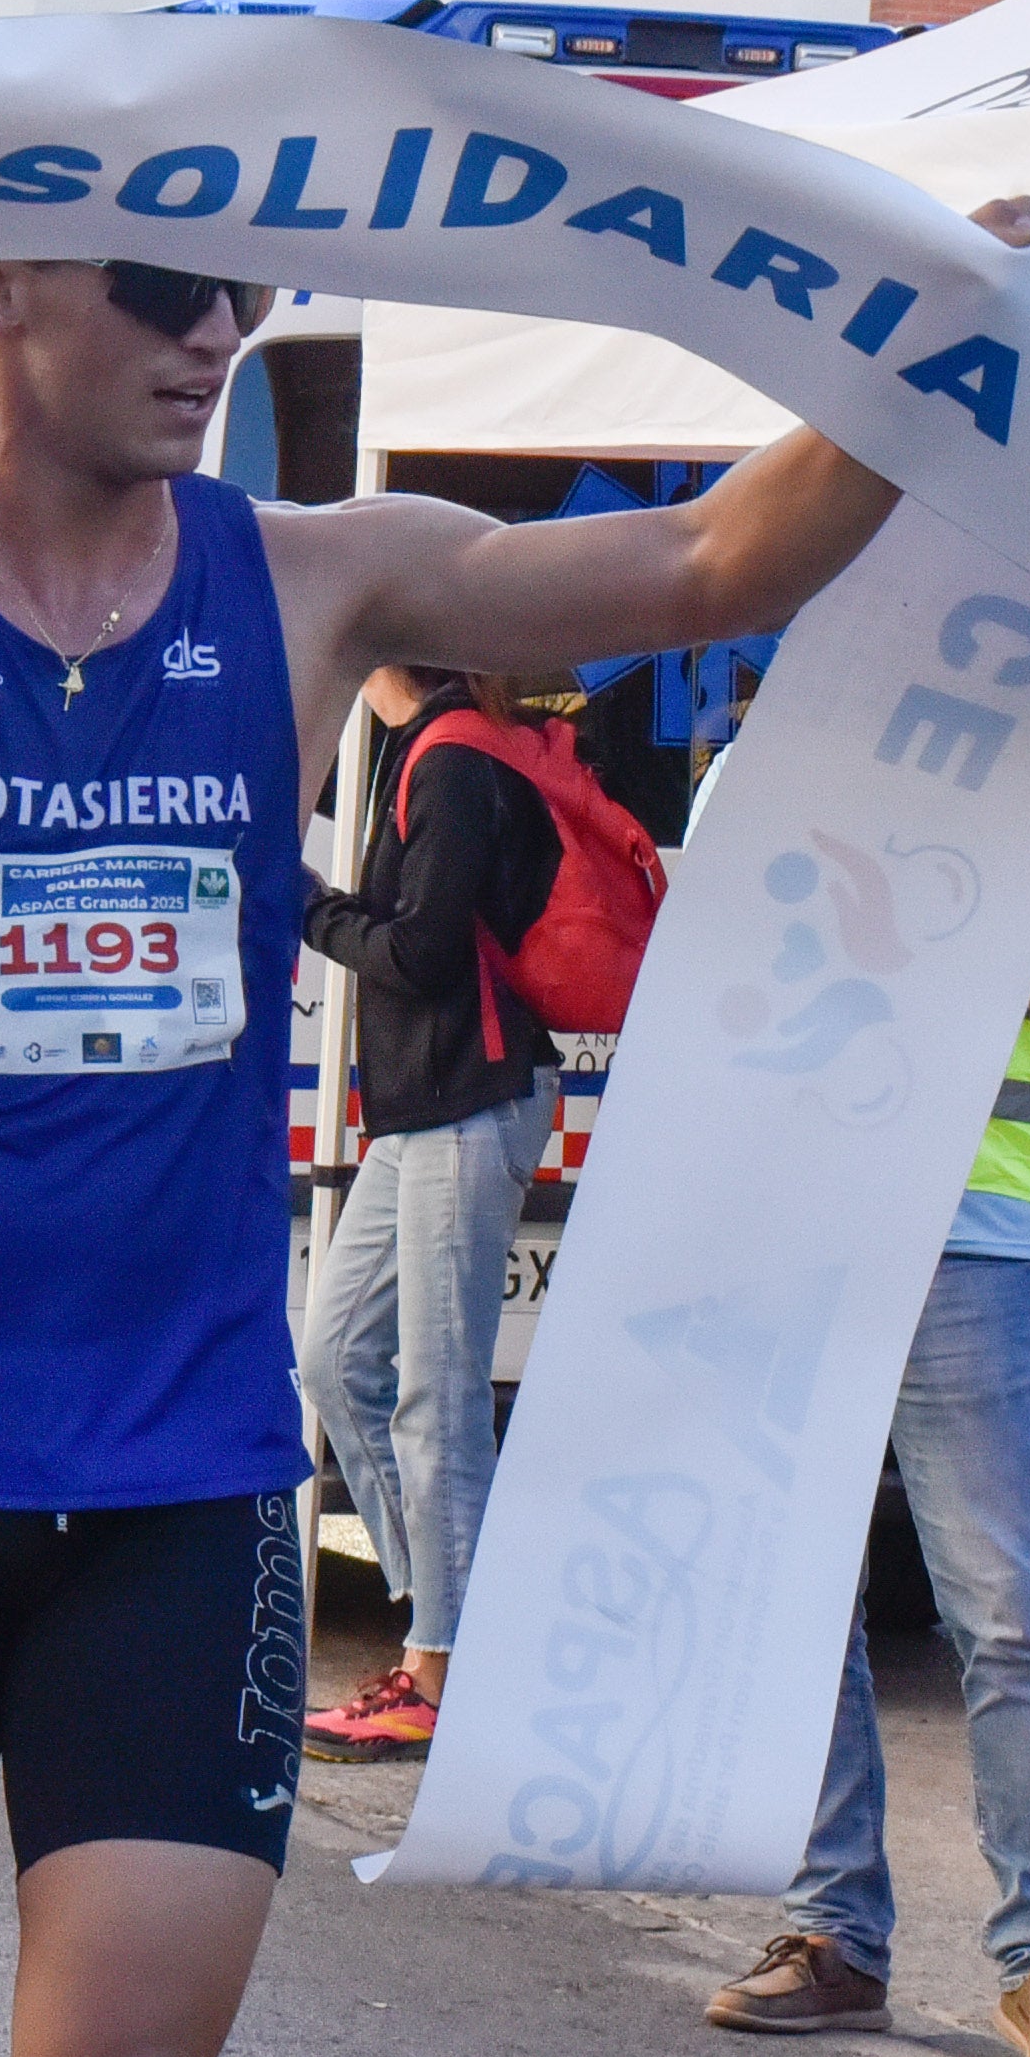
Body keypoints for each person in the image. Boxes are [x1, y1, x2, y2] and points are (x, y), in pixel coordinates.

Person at [0, 6, 1015, 2057]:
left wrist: (925, 354)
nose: (213, 329)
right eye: (157, 282)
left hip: (179, 1486)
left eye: (245, 285)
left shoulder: (313, 586)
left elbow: (701, 561)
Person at [704, 842, 1030, 2057]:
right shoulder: (764, 765)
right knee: (803, 1603)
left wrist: (853, 928)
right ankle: (834, 1931)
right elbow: (725, 988)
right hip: (796, 1229)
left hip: (973, 1229)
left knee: (1008, 1611)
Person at [293, 664, 565, 1766]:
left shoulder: (451, 759)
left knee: (436, 1394)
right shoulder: (425, 751)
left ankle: (442, 1665)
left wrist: (308, 907)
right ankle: (452, 1631)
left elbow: (422, 949)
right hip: (421, 1106)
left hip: (471, 1093)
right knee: (333, 1356)